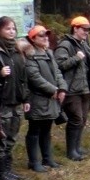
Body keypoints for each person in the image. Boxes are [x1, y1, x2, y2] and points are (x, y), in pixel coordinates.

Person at [0, 16, 29, 180]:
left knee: (12, 137)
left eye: (13, 29)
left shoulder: (17, 50)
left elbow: (23, 77)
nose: (11, 32)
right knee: (0, 137)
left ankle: (8, 169)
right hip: (0, 101)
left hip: (16, 100)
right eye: (7, 29)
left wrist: (25, 98)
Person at [23, 25, 67, 171]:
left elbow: (58, 72)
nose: (45, 37)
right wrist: (53, 90)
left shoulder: (49, 53)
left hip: (51, 98)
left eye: (46, 35)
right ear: (33, 39)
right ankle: (34, 162)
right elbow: (34, 77)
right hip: (37, 98)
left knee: (47, 130)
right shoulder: (30, 55)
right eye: (41, 35)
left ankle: (48, 159)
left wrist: (62, 88)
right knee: (34, 131)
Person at [55, 16, 90, 160]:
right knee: (76, 119)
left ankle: (77, 148)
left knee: (83, 119)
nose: (87, 32)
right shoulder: (65, 45)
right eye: (84, 29)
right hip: (71, 89)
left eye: (88, 30)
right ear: (75, 28)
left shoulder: (84, 44)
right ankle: (71, 151)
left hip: (84, 88)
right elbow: (59, 65)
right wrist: (76, 58)